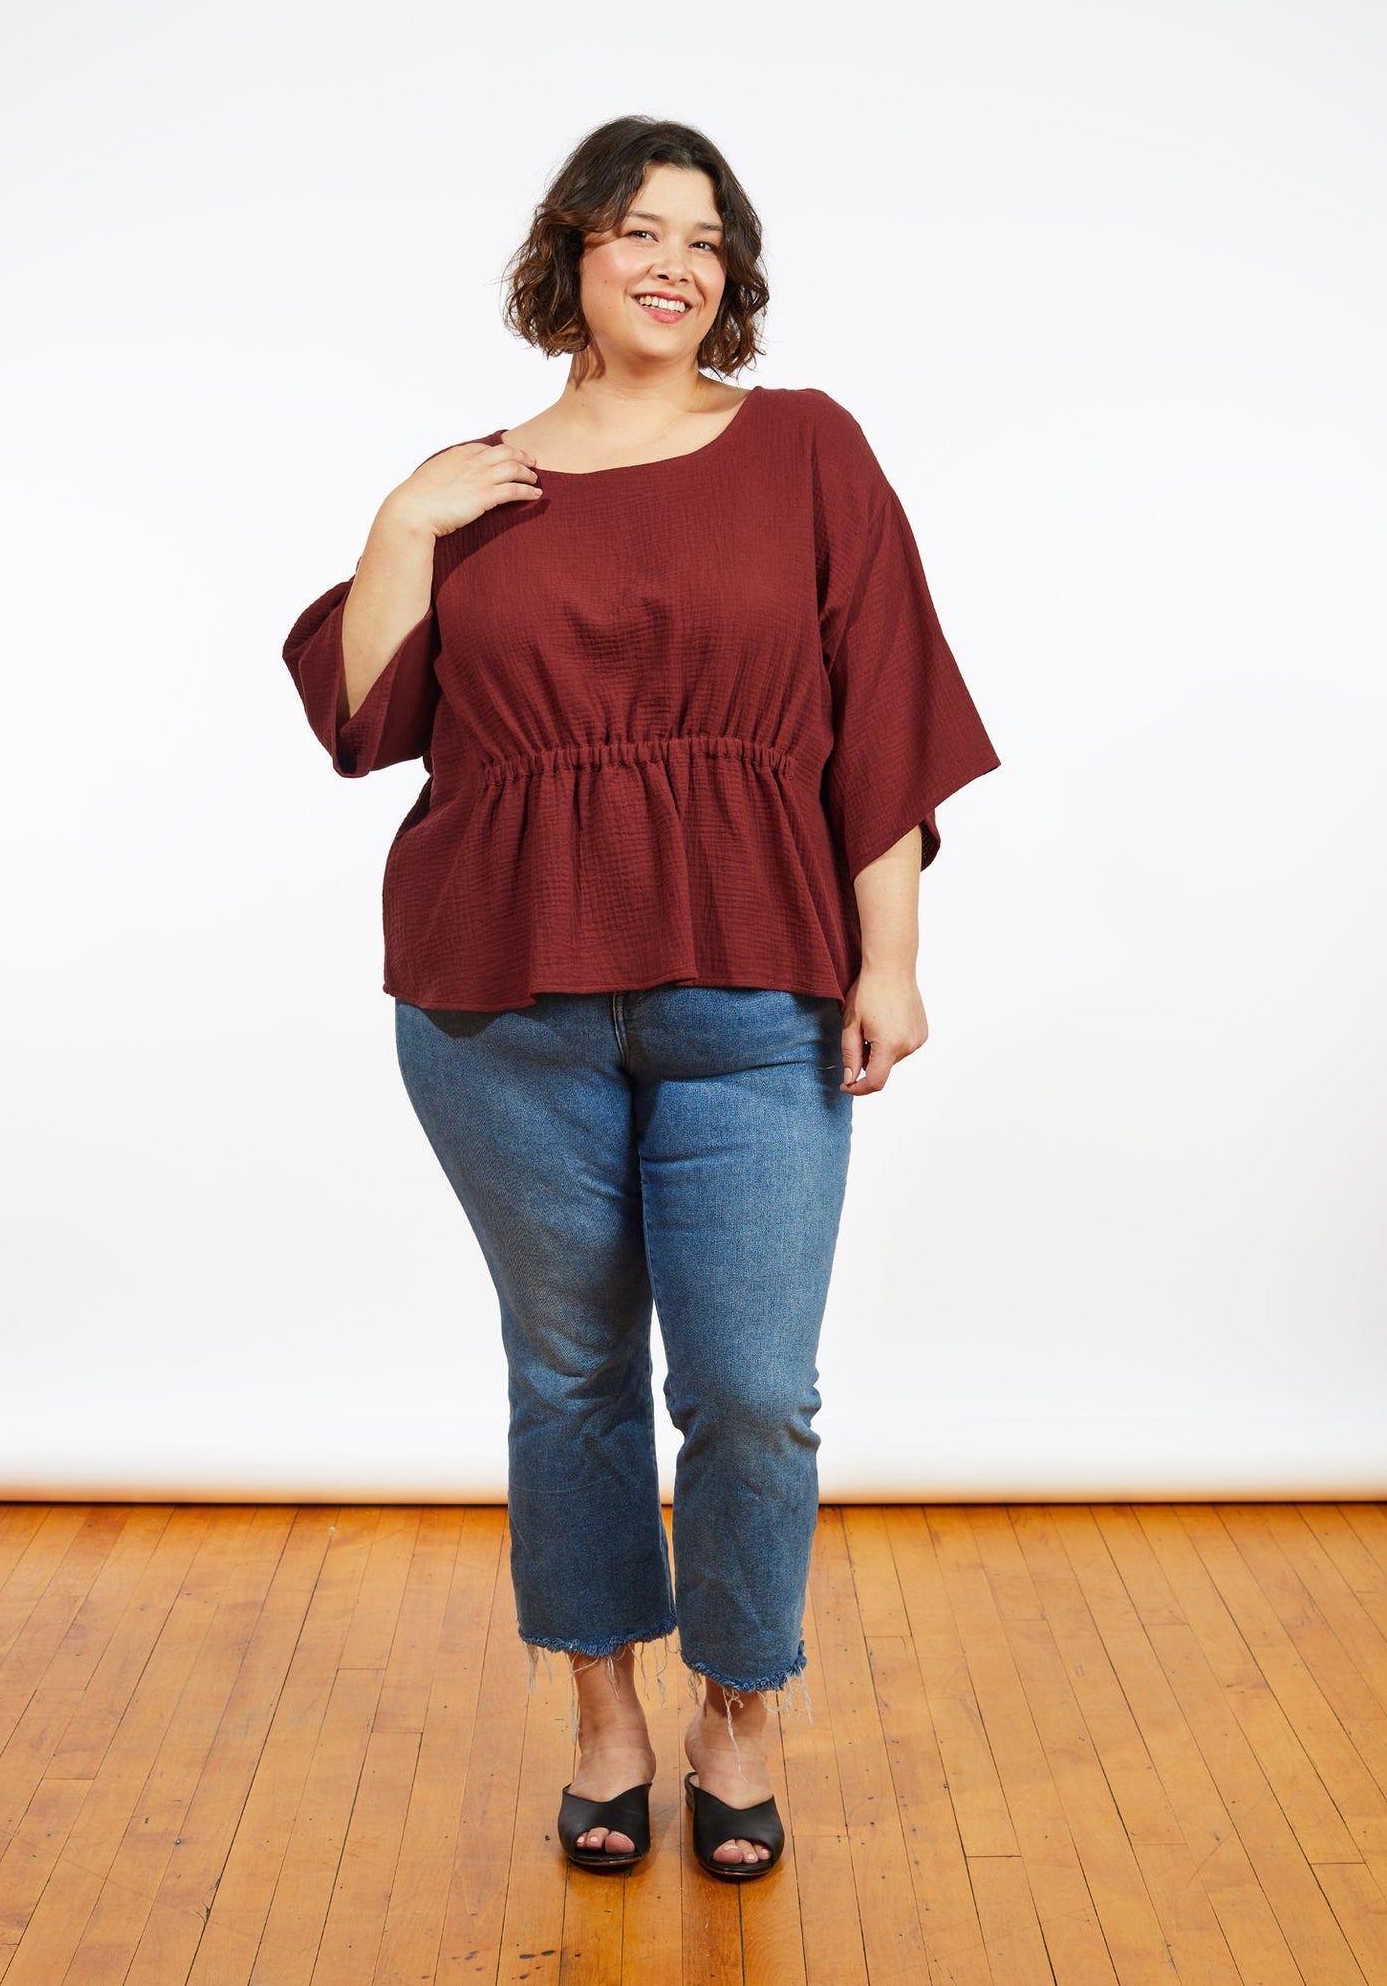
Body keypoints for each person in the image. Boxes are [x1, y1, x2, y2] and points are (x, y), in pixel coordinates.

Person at [282, 116, 1001, 1883]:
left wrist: (890, 958)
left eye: (703, 239)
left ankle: (735, 1709)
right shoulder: (477, 484)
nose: (672, 263)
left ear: (727, 277)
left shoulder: (806, 447)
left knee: (752, 1389)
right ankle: (603, 1714)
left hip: (753, 991)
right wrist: (401, 520)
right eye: (636, 232)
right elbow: (364, 724)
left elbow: (884, 706)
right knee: (570, 1375)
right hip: (498, 1005)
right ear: (573, 257)